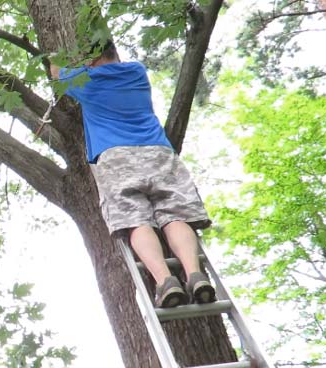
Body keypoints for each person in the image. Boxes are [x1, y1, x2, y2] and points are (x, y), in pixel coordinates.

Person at [51, 40, 216, 308]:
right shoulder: (137, 72)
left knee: (136, 221)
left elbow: (56, 72)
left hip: (116, 157)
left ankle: (165, 281)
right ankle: (195, 275)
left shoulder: (85, 80)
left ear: (91, 60)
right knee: (175, 215)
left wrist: (57, 57)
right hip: (159, 153)